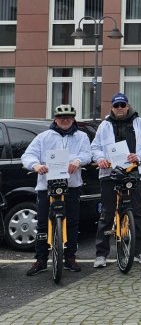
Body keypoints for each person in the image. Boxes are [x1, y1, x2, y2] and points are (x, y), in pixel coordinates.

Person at [23, 104, 92, 275]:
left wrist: (78, 161)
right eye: (61, 117)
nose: (65, 120)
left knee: (73, 223)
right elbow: (28, 155)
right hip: (47, 186)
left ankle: (70, 258)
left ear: (73, 119)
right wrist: (36, 165)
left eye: (68, 117)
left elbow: (87, 154)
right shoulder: (43, 137)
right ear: (55, 119)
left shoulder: (81, 136)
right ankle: (40, 260)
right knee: (42, 225)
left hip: (71, 185)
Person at [91, 92, 141, 268]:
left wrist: (139, 155)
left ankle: (140, 251)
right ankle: (101, 254)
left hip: (133, 170)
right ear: (112, 108)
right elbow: (95, 147)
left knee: (135, 211)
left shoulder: (140, 123)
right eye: (116, 106)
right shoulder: (104, 125)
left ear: (127, 106)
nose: (120, 108)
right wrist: (100, 159)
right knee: (107, 212)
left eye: (122, 105)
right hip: (109, 172)